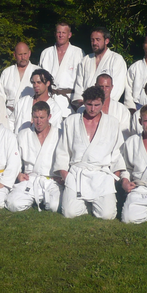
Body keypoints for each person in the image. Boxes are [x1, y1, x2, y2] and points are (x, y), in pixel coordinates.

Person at [54, 86, 125, 219]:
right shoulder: (71, 122)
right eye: (89, 104)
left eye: (97, 105)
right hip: (77, 173)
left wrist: (113, 179)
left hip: (102, 175)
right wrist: (66, 176)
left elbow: (118, 154)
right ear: (84, 102)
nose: (93, 109)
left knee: (107, 215)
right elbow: (62, 151)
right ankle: (88, 204)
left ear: (103, 103)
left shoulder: (113, 123)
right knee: (69, 213)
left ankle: (93, 203)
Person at [6, 101, 63, 213]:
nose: (38, 121)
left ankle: (41, 200)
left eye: (42, 117)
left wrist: (61, 175)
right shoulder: (23, 134)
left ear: (49, 117)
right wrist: (18, 174)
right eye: (35, 117)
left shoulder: (60, 134)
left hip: (52, 180)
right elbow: (14, 159)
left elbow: (66, 156)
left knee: (55, 206)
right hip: (30, 180)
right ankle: (34, 198)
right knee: (13, 204)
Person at [72, 28, 127, 108]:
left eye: (98, 40)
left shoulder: (116, 59)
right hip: (86, 106)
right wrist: (82, 103)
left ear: (106, 41)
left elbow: (118, 87)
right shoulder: (86, 60)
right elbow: (79, 85)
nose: (94, 43)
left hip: (107, 106)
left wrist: (101, 104)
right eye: (92, 40)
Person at [13, 68, 70, 134]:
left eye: (39, 82)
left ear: (47, 83)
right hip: (18, 138)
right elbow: (11, 122)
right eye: (34, 83)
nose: (35, 85)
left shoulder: (55, 109)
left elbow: (54, 132)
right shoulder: (22, 102)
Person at [0, 42, 39, 131]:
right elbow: (0, 97)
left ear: (29, 53)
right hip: (8, 114)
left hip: (28, 114)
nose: (23, 57)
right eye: (20, 54)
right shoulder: (7, 72)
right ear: (14, 55)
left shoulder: (37, 71)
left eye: (25, 54)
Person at [38, 22, 84, 97]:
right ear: (55, 34)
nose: (61, 35)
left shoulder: (78, 53)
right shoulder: (46, 53)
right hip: (49, 96)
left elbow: (82, 78)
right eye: (58, 32)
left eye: (64, 33)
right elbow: (39, 77)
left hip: (70, 97)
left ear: (69, 35)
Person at [94, 74, 132, 139]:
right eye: (101, 86)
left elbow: (124, 135)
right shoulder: (86, 108)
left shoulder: (122, 110)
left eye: (107, 86)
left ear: (112, 87)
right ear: (95, 86)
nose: (104, 89)